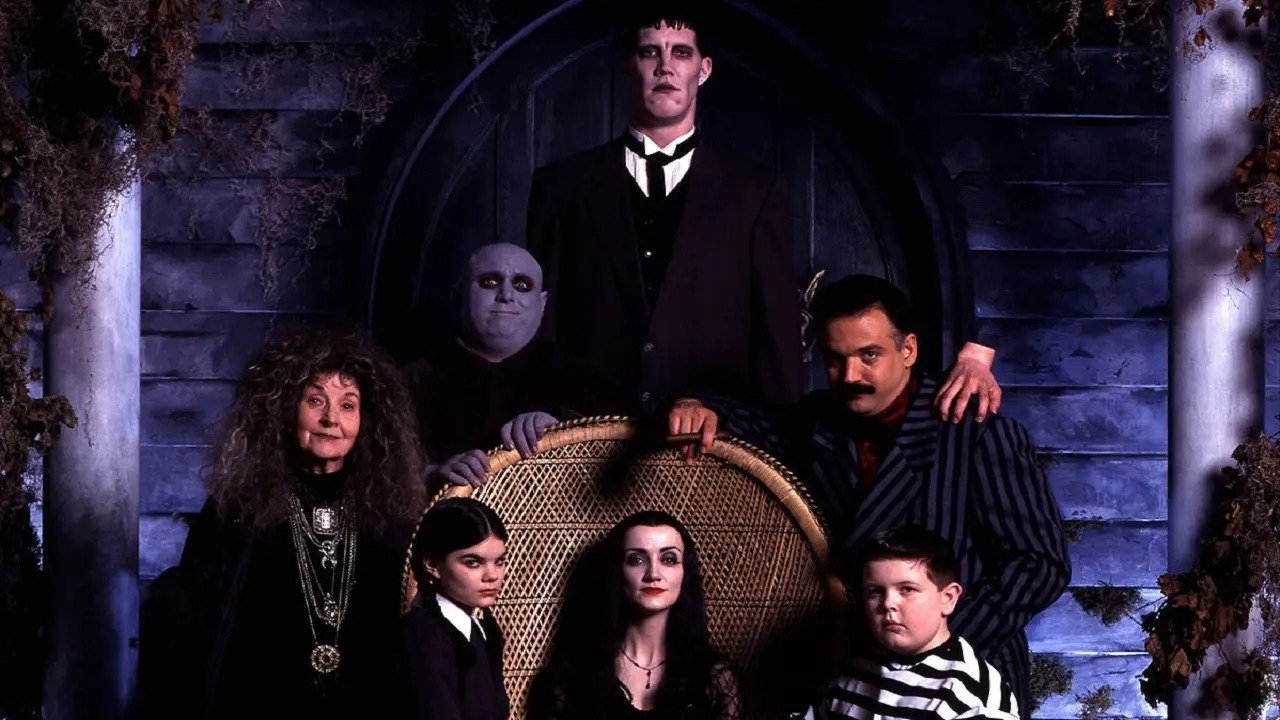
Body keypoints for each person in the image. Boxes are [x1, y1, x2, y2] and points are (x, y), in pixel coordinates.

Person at [526, 5, 1001, 417]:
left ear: (703, 70)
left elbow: (776, 334)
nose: (665, 67)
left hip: (717, 440)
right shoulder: (561, 185)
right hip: (583, 432)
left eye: (681, 53)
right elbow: (538, 324)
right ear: (628, 66)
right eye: (651, 52)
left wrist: (778, 439)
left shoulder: (756, 190)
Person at [667, 275, 1069, 716]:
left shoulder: (976, 432)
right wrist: (694, 405)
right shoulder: (819, 421)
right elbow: (752, 421)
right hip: (859, 678)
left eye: (869, 355)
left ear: (908, 350)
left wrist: (938, 643)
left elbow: (1041, 565)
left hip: (967, 672)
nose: (850, 376)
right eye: (835, 360)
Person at [137, 326, 427, 719]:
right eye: (315, 400)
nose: (331, 419)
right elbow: (195, 628)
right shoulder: (238, 507)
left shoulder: (388, 512)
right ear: (286, 408)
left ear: (367, 420)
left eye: (347, 405)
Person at [404, 242, 628, 487]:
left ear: (542, 304)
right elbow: (379, 474)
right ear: (458, 295)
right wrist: (431, 475)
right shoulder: (407, 384)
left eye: (522, 285)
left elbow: (624, 471)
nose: (506, 295)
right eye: (490, 282)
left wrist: (567, 430)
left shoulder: (585, 381)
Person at [528, 511, 741, 719]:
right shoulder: (572, 676)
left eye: (669, 559)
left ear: (685, 573)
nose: (653, 574)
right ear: (617, 571)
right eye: (636, 560)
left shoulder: (715, 679)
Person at [806, 525, 1019, 720]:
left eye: (907, 589)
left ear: (948, 598)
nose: (888, 603)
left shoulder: (974, 693)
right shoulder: (852, 669)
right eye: (875, 591)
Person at [402, 497, 510, 720]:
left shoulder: (479, 630)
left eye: (499, 561)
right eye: (473, 562)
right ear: (432, 564)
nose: (492, 575)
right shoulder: (423, 636)